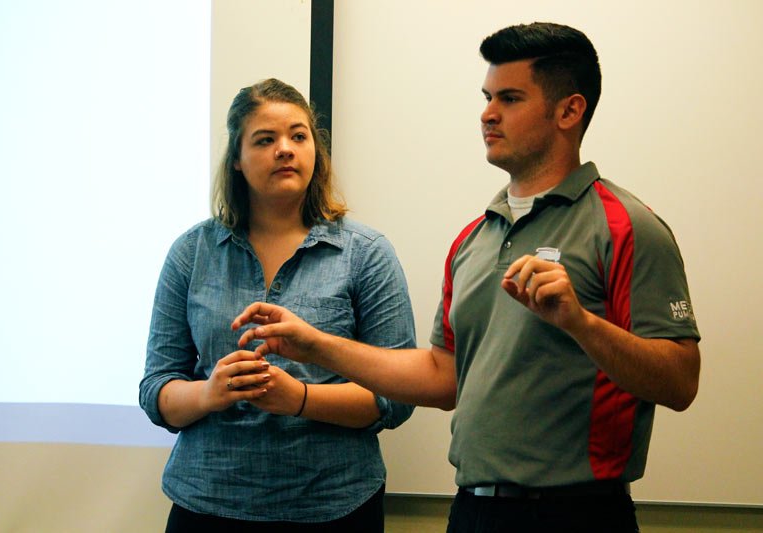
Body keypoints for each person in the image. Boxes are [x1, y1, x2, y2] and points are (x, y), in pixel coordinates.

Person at [232, 23, 701, 533]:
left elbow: (679, 382)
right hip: (474, 510)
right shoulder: (473, 239)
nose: (487, 113)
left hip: (576, 513)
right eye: (486, 97)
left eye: (511, 98)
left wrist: (581, 323)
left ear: (569, 110)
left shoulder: (627, 225)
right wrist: (316, 346)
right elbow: (442, 376)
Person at [139, 78, 415, 532]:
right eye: (265, 140)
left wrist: (300, 399)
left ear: (315, 151)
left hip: (334, 505)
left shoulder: (366, 253)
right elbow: (156, 390)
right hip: (207, 504)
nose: (285, 149)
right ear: (237, 162)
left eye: (298, 136)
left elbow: (397, 395)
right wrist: (209, 393)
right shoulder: (192, 252)